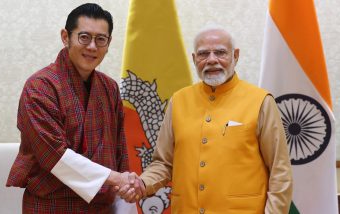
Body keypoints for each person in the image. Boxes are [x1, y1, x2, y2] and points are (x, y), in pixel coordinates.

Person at [118, 25, 293, 213]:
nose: (211, 60)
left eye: (220, 53)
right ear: (194, 59)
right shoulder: (179, 100)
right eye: (203, 54)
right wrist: (143, 183)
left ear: (236, 56)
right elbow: (163, 163)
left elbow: (280, 171)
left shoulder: (260, 101)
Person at [6, 3, 139, 213]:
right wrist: (115, 178)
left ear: (109, 43)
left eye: (100, 39)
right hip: (52, 204)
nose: (92, 47)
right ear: (65, 37)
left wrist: (126, 187)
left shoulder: (109, 87)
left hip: (102, 206)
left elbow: (119, 149)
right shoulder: (40, 87)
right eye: (84, 37)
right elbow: (55, 156)